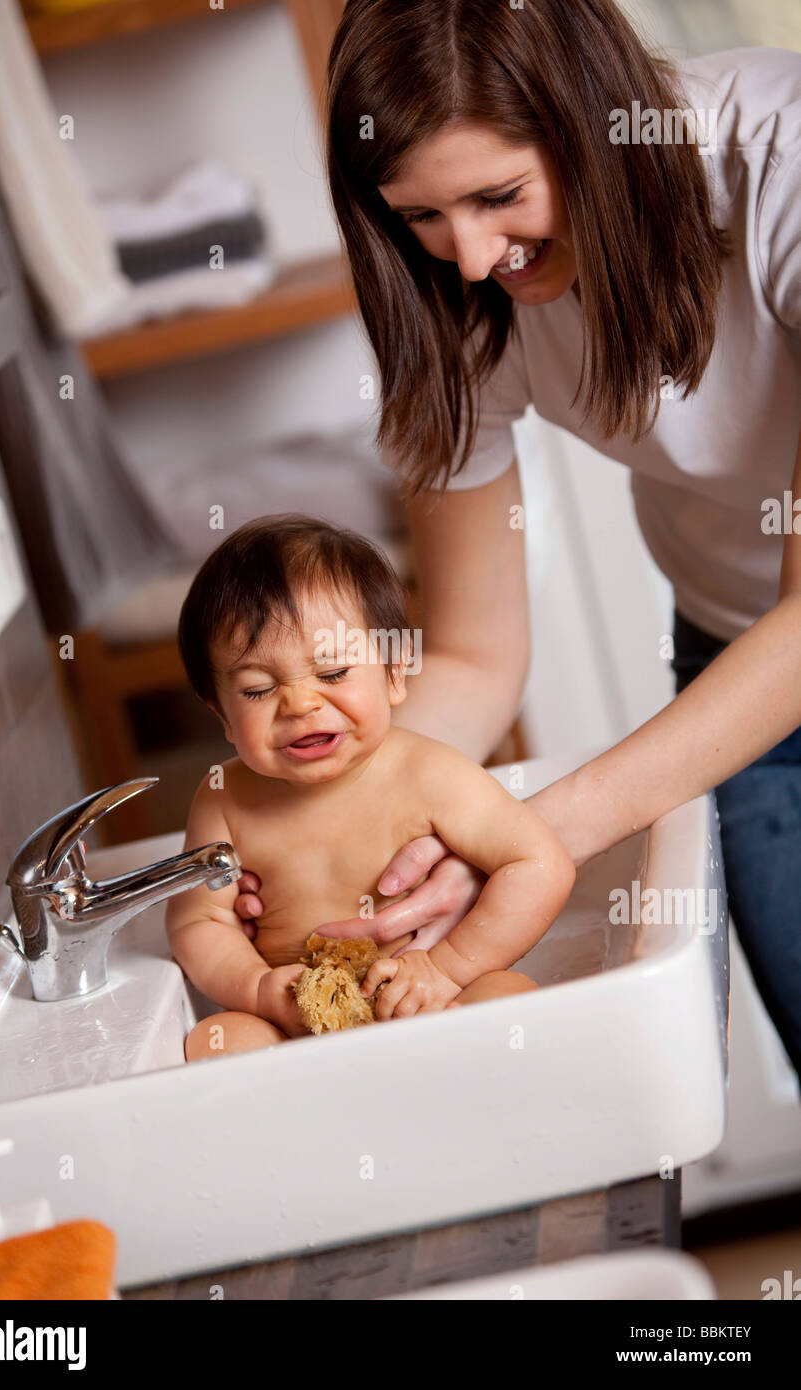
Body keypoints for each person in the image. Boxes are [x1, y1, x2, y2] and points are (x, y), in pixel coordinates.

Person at [231, 1, 801, 1084]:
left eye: (500, 196)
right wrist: (349, 823)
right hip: (732, 664)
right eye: (421, 216)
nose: (471, 256)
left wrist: (527, 835)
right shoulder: (451, 296)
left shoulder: (779, 164)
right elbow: (473, 656)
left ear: (597, 120)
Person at [167, 515, 573, 1059]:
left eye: (333, 674)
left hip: (429, 1001)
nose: (301, 704)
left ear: (395, 674)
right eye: (259, 690)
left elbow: (540, 863)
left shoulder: (430, 774)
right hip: (296, 1028)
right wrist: (258, 989)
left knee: (510, 1000)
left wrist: (446, 968)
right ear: (221, 713)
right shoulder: (223, 800)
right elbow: (198, 920)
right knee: (218, 1043)